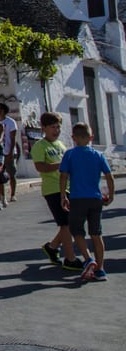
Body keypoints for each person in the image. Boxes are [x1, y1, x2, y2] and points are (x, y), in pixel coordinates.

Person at [59, 122, 115, 281]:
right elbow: (109, 176)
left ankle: (88, 259)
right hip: (95, 198)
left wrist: (63, 196)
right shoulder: (98, 155)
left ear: (73, 138)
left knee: (77, 231)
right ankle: (101, 269)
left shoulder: (69, 155)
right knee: (96, 234)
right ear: (91, 137)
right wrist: (111, 195)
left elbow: (63, 176)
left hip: (77, 199)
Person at [30, 112, 81, 271]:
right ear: (44, 128)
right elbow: (40, 167)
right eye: (53, 127)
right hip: (53, 189)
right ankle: (70, 258)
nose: (56, 130)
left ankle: (52, 247)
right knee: (65, 224)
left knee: (72, 223)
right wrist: (60, 165)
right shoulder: (40, 146)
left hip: (67, 187)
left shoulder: (61, 145)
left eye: (58, 127)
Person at [0, 103, 19, 202]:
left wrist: (10, 151)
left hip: (9, 151)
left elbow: (13, 138)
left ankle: (13, 194)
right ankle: (2, 195)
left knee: (11, 173)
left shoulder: (10, 122)